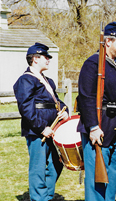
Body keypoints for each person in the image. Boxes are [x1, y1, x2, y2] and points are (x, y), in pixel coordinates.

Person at [77, 21, 116, 201]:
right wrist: (93, 127)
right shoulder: (93, 63)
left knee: (113, 176)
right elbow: (86, 97)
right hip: (100, 128)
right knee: (96, 180)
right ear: (108, 41)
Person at [13, 42, 69, 201]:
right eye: (46, 57)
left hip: (53, 130)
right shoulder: (26, 80)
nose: (49, 59)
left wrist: (65, 111)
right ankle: (39, 198)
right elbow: (26, 108)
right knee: (38, 168)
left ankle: (45, 197)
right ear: (35, 59)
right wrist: (41, 128)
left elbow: (56, 101)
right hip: (38, 132)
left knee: (56, 165)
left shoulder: (48, 80)